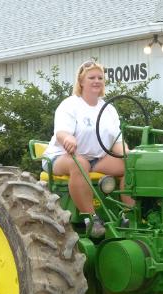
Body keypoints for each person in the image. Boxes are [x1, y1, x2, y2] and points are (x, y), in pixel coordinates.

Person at [43, 60, 131, 236]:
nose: (97, 81)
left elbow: (116, 141)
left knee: (131, 165)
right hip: (63, 157)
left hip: (97, 159)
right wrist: (68, 138)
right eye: (92, 77)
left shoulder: (109, 109)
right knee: (80, 164)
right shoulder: (69, 105)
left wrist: (128, 154)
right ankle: (91, 219)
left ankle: (128, 215)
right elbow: (61, 133)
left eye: (100, 77)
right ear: (81, 81)